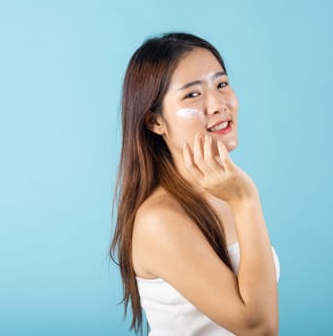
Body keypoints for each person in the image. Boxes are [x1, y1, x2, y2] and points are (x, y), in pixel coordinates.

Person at [109, 32, 280, 336]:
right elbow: (259, 328)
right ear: (155, 122)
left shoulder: (224, 191)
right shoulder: (159, 219)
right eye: (192, 94)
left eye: (222, 84)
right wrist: (247, 200)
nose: (217, 104)